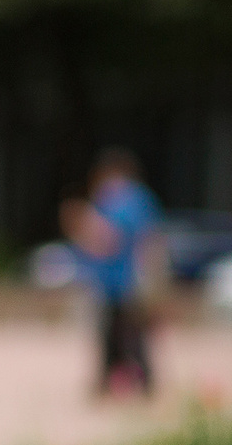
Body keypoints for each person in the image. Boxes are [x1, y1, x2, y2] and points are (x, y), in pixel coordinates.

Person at [62, 147, 163, 396]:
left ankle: (117, 383)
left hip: (119, 282)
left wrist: (82, 226)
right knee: (127, 336)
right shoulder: (140, 199)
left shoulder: (119, 199)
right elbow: (150, 240)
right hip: (126, 281)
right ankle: (131, 382)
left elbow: (109, 238)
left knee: (120, 336)